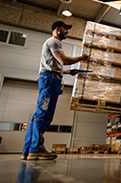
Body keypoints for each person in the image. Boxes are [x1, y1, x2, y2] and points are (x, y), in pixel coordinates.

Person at [21, 21, 88, 160]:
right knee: (44, 113)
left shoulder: (51, 43)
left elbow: (54, 65)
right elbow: (63, 60)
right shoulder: (54, 41)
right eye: (65, 28)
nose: (67, 31)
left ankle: (28, 150)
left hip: (50, 79)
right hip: (50, 81)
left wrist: (69, 72)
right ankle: (36, 149)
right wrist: (81, 58)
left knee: (37, 115)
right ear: (57, 29)